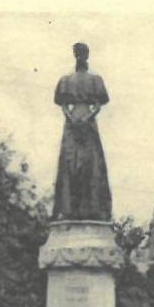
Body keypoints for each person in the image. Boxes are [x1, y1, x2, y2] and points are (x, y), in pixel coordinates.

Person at [52, 42, 113, 221]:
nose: (80, 56)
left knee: (90, 164)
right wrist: (81, 118)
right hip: (79, 122)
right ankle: (69, 209)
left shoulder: (93, 80)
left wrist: (75, 118)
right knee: (71, 164)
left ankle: (91, 209)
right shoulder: (67, 80)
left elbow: (97, 104)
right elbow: (64, 104)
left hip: (80, 122)